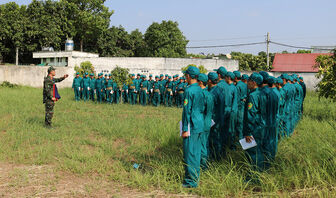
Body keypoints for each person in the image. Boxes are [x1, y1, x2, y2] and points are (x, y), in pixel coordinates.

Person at [181, 66, 205, 188]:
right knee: (196, 152)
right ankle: (195, 177)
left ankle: (191, 181)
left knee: (190, 153)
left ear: (189, 76)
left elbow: (187, 111)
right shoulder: (201, 90)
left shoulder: (189, 91)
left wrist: (185, 128)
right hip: (199, 123)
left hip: (191, 125)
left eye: (186, 75)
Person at [243, 73, 266, 172]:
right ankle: (259, 171)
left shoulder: (253, 95)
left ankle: (254, 175)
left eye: (249, 81)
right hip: (260, 126)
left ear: (254, 83)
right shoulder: (262, 93)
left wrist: (248, 132)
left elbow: (251, 115)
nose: (247, 83)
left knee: (253, 152)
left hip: (253, 128)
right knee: (258, 151)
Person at [198, 73, 214, 170]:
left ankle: (203, 166)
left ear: (200, 82)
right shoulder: (209, 94)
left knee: (202, 145)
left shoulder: (202, 94)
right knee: (205, 144)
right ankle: (205, 163)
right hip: (207, 122)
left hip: (201, 123)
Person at [207, 72, 224, 160]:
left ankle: (214, 158)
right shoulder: (220, 89)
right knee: (218, 138)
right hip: (220, 117)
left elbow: (210, 108)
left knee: (213, 139)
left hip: (213, 119)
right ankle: (219, 155)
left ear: (209, 81)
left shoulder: (212, 92)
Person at [234, 71, 248, 140]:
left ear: (235, 77)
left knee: (239, 126)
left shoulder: (237, 86)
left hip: (240, 108)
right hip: (245, 107)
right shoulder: (246, 85)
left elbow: (236, 99)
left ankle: (239, 144)